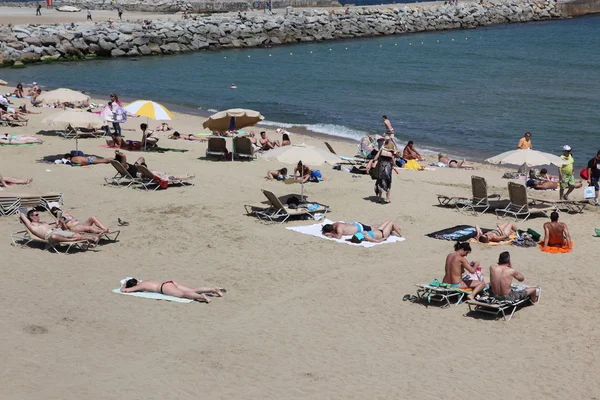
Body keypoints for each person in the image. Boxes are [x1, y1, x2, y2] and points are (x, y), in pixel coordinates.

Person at [17, 209, 100, 244]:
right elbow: (21, 214)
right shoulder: (32, 225)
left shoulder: (44, 222)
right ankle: (70, 240)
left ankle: (92, 238)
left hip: (56, 231)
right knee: (53, 236)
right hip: (49, 236)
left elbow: (53, 226)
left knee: (76, 234)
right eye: (36, 214)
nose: (38, 216)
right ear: (31, 217)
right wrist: (26, 216)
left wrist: (58, 223)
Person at [120, 278, 225, 303]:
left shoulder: (140, 286)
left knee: (183, 294)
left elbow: (125, 291)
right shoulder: (145, 281)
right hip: (169, 282)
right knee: (193, 289)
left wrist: (124, 286)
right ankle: (213, 289)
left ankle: (202, 297)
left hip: (164, 288)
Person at [369, 139, 395, 203]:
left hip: (381, 169)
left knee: (380, 181)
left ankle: (379, 198)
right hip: (388, 170)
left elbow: (375, 158)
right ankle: (387, 198)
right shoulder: (391, 152)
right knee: (388, 182)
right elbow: (394, 162)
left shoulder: (381, 150)